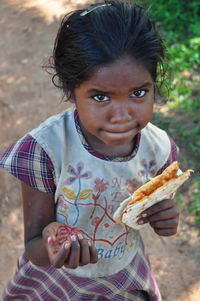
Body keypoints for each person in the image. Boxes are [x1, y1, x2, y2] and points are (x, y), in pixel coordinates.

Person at [0, 1, 180, 300]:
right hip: (57, 282)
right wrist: (53, 243)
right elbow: (34, 245)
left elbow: (151, 213)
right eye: (100, 97)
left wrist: (166, 219)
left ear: (153, 84)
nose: (122, 115)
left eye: (138, 93)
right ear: (72, 91)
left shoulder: (159, 150)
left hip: (122, 275)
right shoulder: (46, 151)